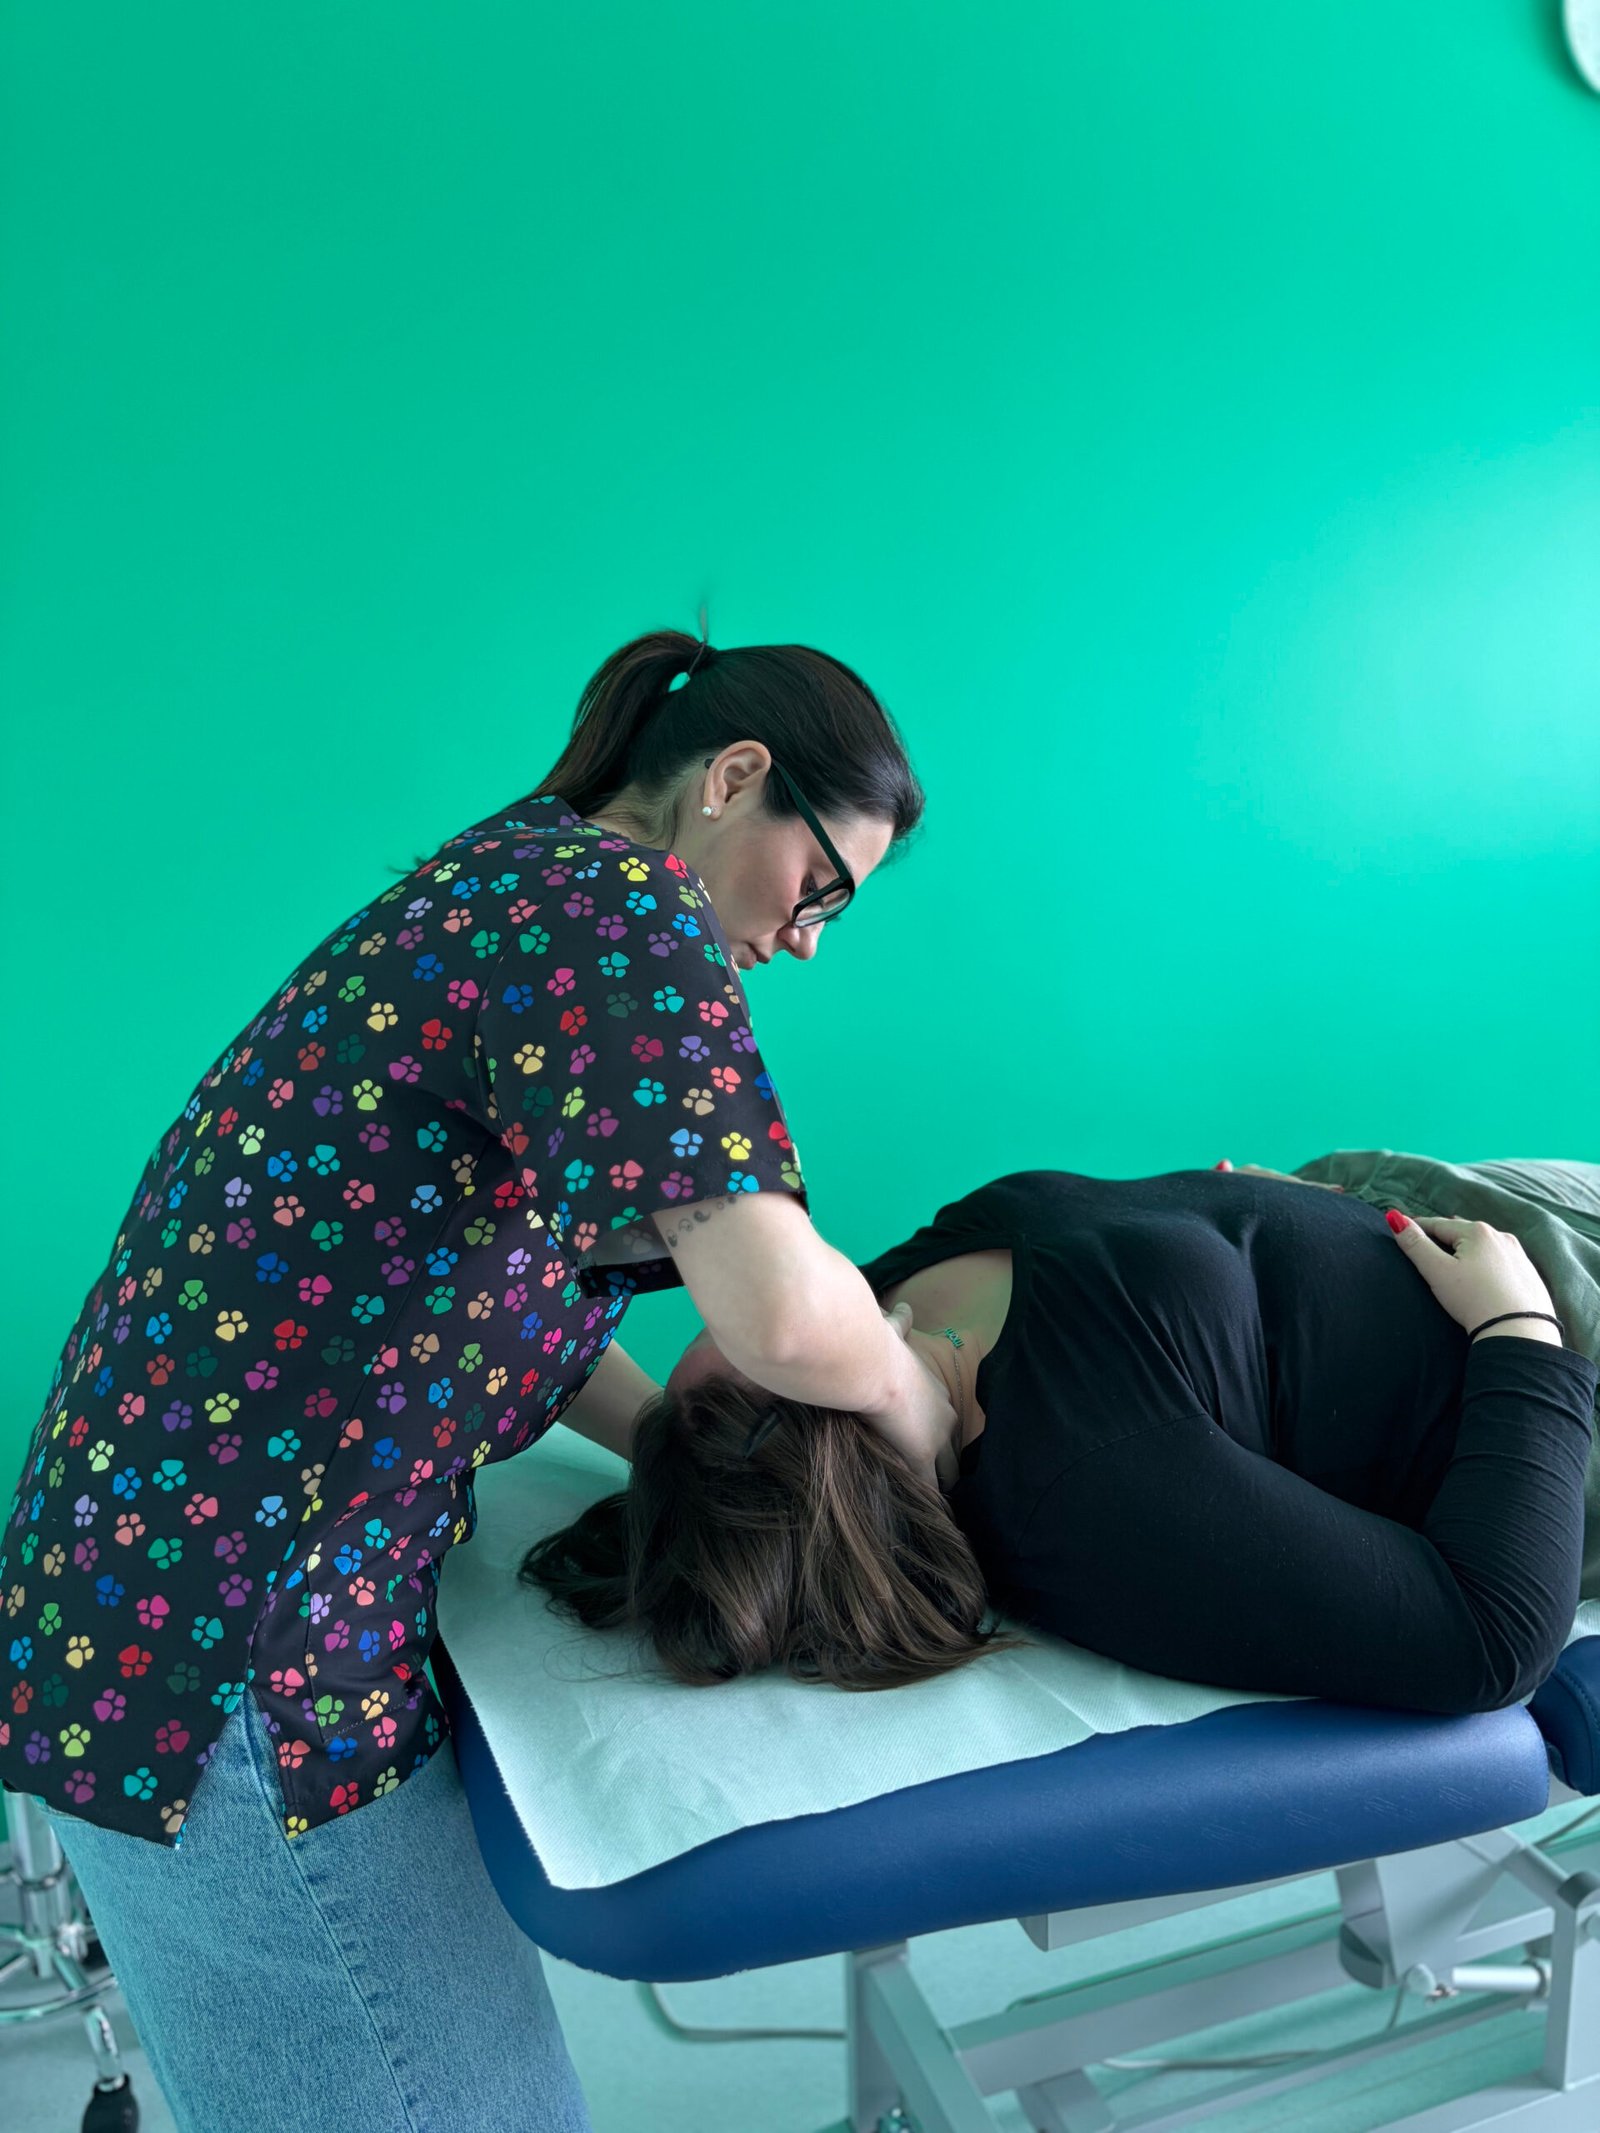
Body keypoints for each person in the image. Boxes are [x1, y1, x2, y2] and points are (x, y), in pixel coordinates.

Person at [0, 624, 952, 2133]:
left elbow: (476, 1287)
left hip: (154, 1592)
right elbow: (780, 1313)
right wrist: (916, 1403)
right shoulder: (617, 905)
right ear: (733, 778)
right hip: (232, 1650)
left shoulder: (512, 879)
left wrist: (675, 1445)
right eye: (821, 885)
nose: (807, 940)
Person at [525, 1159, 1600, 1716]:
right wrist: (1519, 1329)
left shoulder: (888, 1307)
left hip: (1444, 1198)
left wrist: (1268, 1215)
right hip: (1558, 1335)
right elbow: (1487, 1640)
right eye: (744, 1341)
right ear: (842, 1409)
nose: (730, 1302)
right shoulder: (1091, 1487)